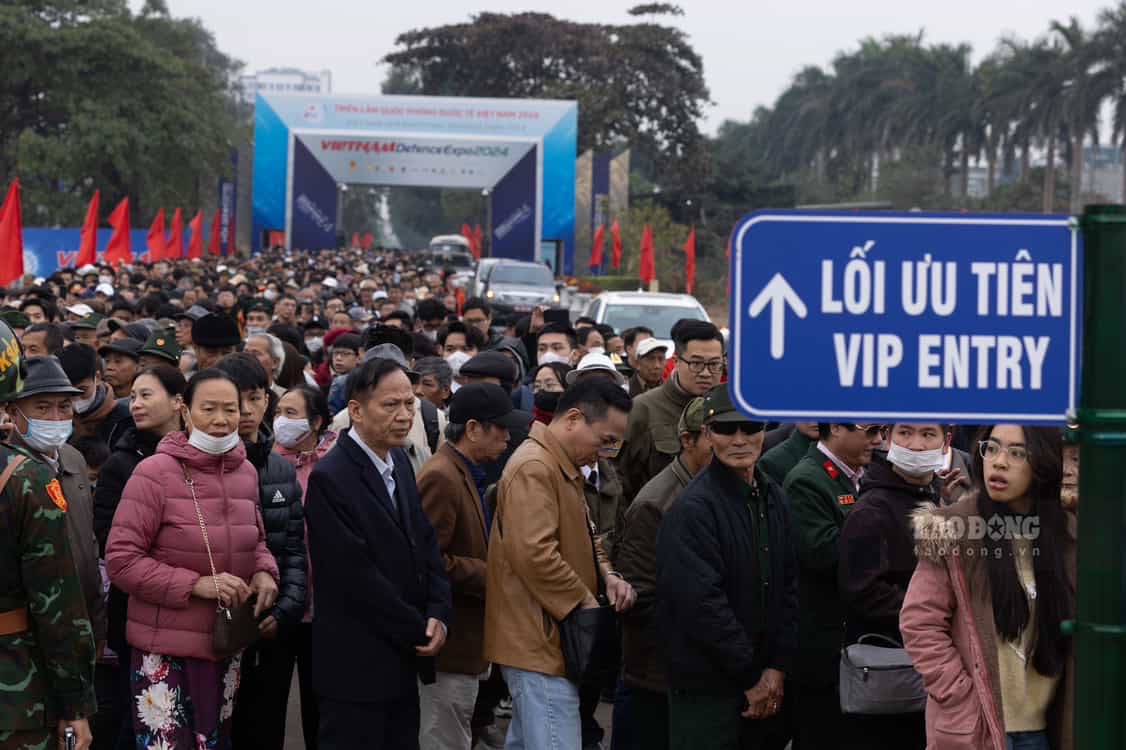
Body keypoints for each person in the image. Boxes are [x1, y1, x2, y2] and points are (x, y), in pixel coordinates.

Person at [105, 369, 280, 749]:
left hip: (224, 646)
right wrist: (196, 585)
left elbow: (258, 539)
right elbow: (121, 559)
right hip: (165, 652)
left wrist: (265, 572)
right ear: (185, 411)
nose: (221, 420)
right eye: (209, 409)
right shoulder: (154, 472)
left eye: (230, 410)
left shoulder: (246, 472)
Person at [304, 356, 452, 750]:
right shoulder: (330, 477)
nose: (404, 415)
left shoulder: (399, 461)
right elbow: (356, 577)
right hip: (356, 665)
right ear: (356, 410)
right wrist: (419, 626)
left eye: (410, 404)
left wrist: (439, 611)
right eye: (391, 405)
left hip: (403, 659)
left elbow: (425, 543)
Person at [484, 378, 637, 750]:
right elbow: (535, 554)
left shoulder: (558, 464)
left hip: (548, 639)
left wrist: (608, 574)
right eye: (604, 440)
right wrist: (585, 603)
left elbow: (588, 534)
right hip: (540, 641)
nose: (606, 452)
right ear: (572, 419)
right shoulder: (536, 466)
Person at [902, 426, 1075, 750]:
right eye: (991, 449)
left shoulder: (1068, 536)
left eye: (1016, 453)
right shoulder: (953, 530)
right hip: (975, 729)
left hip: (1042, 730)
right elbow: (919, 622)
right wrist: (961, 697)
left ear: (1044, 463)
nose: (998, 462)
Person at [654, 385, 798, 750]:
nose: (739, 439)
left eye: (750, 428)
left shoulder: (774, 497)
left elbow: (791, 587)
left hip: (766, 684)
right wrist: (752, 676)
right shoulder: (693, 509)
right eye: (726, 429)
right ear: (707, 434)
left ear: (764, 432)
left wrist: (777, 668)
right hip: (708, 690)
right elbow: (702, 605)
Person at [416, 384, 530, 749]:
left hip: (465, 645)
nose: (508, 437)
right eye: (500, 428)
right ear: (472, 429)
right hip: (448, 647)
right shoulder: (442, 476)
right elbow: (427, 561)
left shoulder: (463, 472)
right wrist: (492, 573)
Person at [0, 333, 98, 750]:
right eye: (42, 407)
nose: (56, 417)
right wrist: (74, 706)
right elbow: (56, 604)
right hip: (15, 690)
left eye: (64, 406)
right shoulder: (25, 478)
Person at [215, 354, 307, 750]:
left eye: (255, 398)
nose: (247, 411)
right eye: (238, 400)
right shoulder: (201, 467)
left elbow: (294, 550)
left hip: (271, 626)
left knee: (264, 725)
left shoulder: (280, 470)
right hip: (218, 623)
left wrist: (285, 609)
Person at [837, 423, 948, 749]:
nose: (915, 445)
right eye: (905, 433)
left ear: (946, 441)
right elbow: (862, 591)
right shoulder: (872, 511)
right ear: (888, 438)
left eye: (928, 434)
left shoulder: (938, 496)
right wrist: (931, 611)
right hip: (890, 670)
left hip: (931, 668)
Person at [93, 364, 187, 750]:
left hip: (192, 613)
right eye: (134, 396)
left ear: (178, 401)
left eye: (147, 395)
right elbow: (109, 540)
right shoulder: (122, 462)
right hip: (137, 608)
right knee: (141, 718)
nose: (136, 404)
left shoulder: (206, 455)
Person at [613, 396, 712, 750]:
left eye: (748, 431)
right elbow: (641, 597)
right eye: (719, 432)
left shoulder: (724, 490)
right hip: (656, 677)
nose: (737, 442)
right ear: (688, 440)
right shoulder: (656, 503)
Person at [783, 422, 885, 748]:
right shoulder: (807, 480)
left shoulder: (865, 473)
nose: (879, 440)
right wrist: (887, 534)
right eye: (870, 432)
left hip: (857, 646)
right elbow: (824, 554)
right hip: (824, 654)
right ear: (837, 428)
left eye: (882, 431)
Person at [272, 383, 335, 749]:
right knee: (268, 704)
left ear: (316, 422)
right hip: (278, 604)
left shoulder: (335, 464)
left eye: (291, 414)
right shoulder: (266, 463)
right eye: (278, 412)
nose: (281, 421)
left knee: (320, 708)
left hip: (325, 609)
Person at [618, 320, 725, 504]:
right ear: (676, 362)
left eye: (715, 364)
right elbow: (618, 479)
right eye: (696, 363)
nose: (706, 373)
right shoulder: (643, 409)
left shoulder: (730, 408)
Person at [59, 343, 133, 447]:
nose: (76, 400)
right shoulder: (58, 419)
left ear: (97, 377)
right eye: (69, 393)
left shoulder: (124, 419)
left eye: (82, 391)